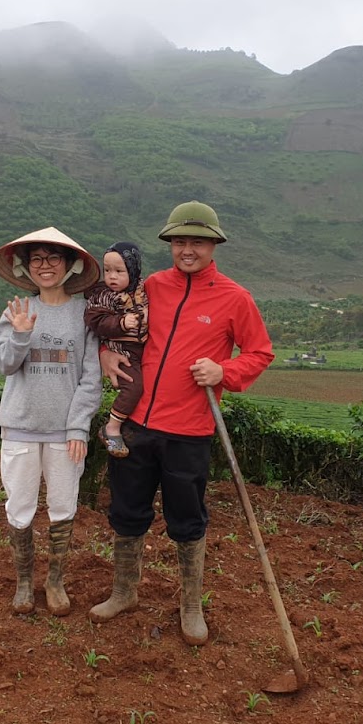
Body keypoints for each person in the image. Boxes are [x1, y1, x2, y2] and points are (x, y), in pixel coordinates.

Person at [89, 201, 274, 645]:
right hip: (135, 423)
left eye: (197, 241)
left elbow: (259, 353)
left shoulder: (235, 298)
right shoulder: (152, 285)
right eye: (179, 242)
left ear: (213, 245)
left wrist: (223, 372)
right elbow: (117, 329)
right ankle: (123, 592)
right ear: (170, 245)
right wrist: (105, 353)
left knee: (186, 520)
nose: (187, 249)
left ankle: (190, 606)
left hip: (189, 430)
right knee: (126, 512)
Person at [0, 227, 102, 616]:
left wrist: (78, 427)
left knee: (62, 506)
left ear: (70, 265)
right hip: (20, 425)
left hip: (63, 432)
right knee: (19, 507)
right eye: (36, 258)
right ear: (27, 267)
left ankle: (55, 581)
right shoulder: (16, 311)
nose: (45, 266)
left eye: (53, 258)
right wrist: (21, 335)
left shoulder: (84, 314)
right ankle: (24, 581)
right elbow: (3, 364)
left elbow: (91, 378)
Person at [83, 242, 149, 458]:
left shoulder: (142, 290)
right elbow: (95, 320)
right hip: (121, 349)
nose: (112, 277)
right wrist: (120, 322)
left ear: (133, 270)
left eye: (119, 271)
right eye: (107, 270)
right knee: (134, 387)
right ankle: (111, 427)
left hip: (141, 348)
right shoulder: (103, 295)